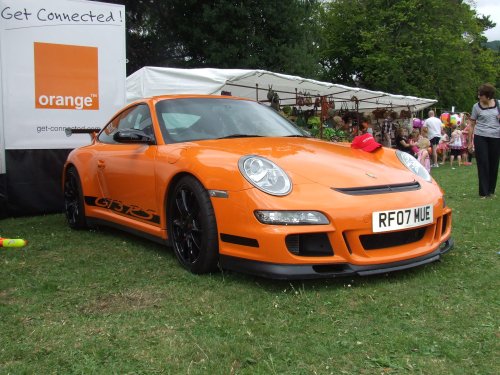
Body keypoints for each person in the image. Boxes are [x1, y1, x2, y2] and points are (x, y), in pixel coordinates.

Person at [469, 83, 500, 199]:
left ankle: (491, 190)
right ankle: (483, 192)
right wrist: (469, 142)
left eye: (481, 95)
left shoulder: (499, 104)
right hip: (480, 136)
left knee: (494, 164)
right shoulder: (476, 107)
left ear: (488, 96)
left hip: (496, 137)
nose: (479, 97)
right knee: (483, 163)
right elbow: (471, 124)